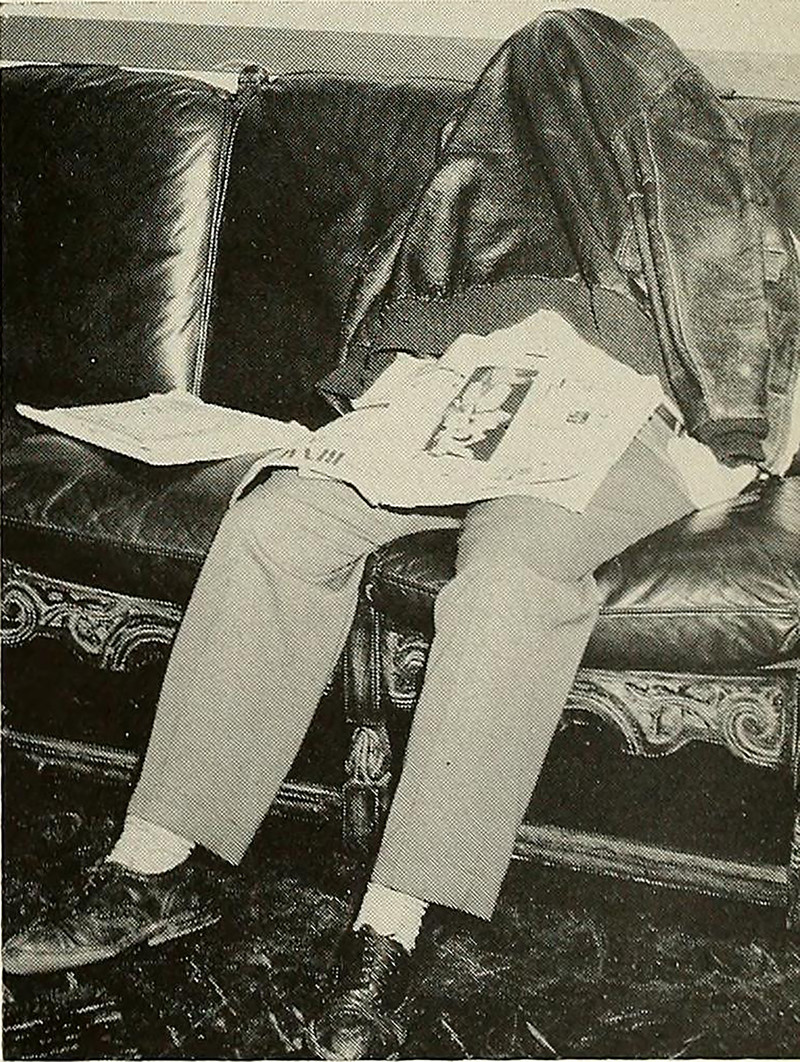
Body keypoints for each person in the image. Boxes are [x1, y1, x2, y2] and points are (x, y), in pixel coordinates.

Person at [4, 9, 799, 1062]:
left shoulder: (711, 192)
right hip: (458, 408)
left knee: (508, 577)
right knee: (279, 518)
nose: (549, 125)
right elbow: (395, 318)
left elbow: (751, 358)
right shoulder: (475, 192)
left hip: (616, 432)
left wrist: (732, 433)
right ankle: (152, 865)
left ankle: (392, 926)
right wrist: (401, 392)